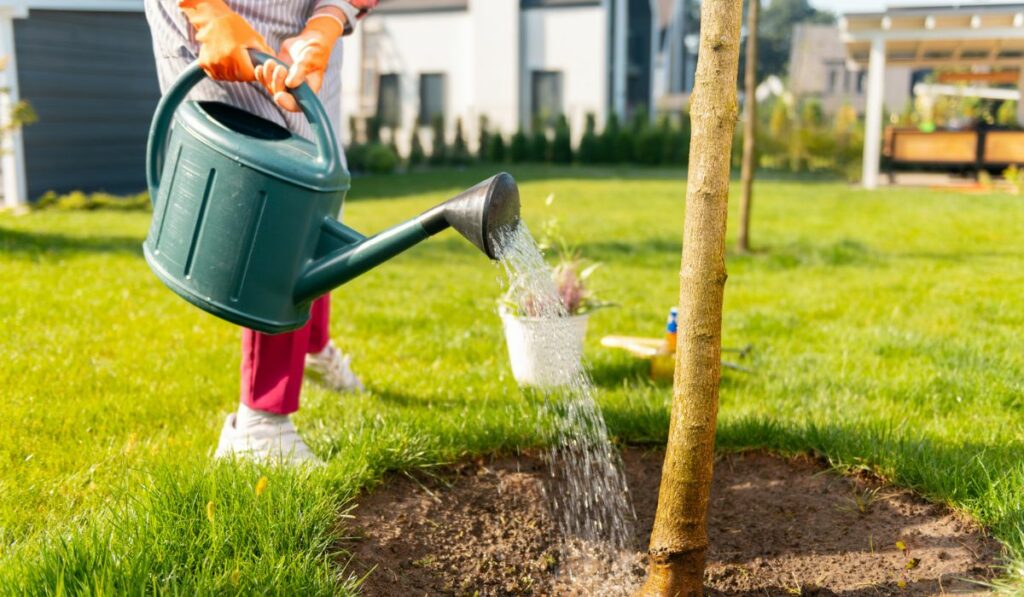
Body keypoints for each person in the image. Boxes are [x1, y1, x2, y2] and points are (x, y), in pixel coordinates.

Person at [144, 0, 378, 465]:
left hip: (304, 29)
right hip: (220, 21)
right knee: (275, 200)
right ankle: (260, 425)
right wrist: (206, 13)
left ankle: (312, 346)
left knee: (316, 190)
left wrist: (329, 21)